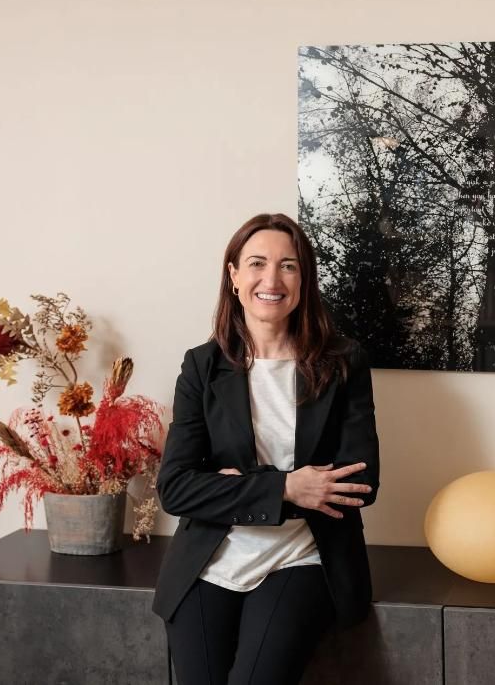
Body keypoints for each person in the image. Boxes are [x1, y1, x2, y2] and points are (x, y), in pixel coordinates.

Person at [151, 213, 380, 685]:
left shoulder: (343, 362)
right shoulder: (202, 366)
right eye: (256, 263)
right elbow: (175, 488)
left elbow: (359, 481)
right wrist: (287, 486)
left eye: (288, 266)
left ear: (304, 279)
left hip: (303, 554)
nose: (271, 279)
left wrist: (229, 485)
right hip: (209, 556)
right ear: (234, 276)